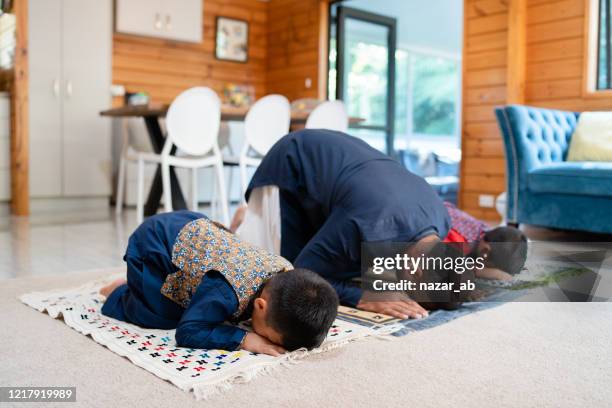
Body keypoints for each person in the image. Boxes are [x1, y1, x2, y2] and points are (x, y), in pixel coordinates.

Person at [235, 129, 465, 320]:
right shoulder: (367, 226)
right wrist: (363, 297)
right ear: (416, 271)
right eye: (409, 291)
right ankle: (247, 220)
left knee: (348, 260)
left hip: (342, 182)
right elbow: (305, 271)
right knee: (280, 277)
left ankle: (252, 218)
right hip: (293, 161)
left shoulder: (441, 219)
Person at [100, 210, 339, 356]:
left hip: (190, 225)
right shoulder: (227, 292)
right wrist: (244, 339)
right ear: (260, 306)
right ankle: (123, 291)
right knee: (167, 317)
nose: (266, 340)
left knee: (206, 309)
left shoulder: (285, 269)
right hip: (154, 245)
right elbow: (188, 332)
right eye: (271, 337)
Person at [443, 202, 528, 281]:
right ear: (486, 252)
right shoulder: (459, 242)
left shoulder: (485, 231)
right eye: (491, 266)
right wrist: (485, 272)